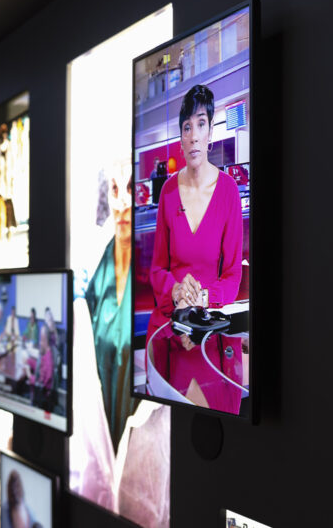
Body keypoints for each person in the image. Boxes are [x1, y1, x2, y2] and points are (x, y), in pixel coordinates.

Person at [146, 84, 244, 413]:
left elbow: (232, 274)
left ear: (210, 132)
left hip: (210, 332)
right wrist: (175, 291)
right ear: (181, 137)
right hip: (170, 330)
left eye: (200, 124)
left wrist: (203, 296)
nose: (193, 135)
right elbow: (157, 268)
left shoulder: (228, 191)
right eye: (186, 127)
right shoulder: (168, 193)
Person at [84, 161, 138, 450]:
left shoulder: (156, 274)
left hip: (140, 450)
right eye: (115, 189)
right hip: (99, 444)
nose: (122, 204)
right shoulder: (96, 272)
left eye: (130, 187)